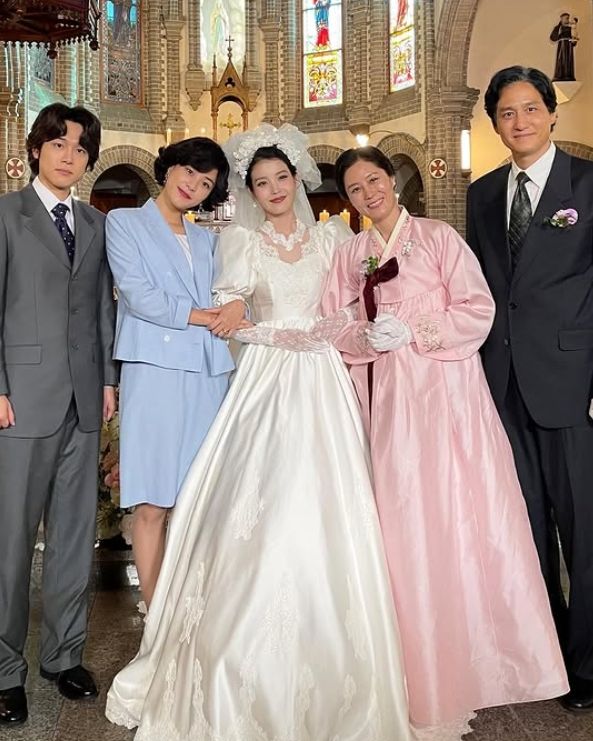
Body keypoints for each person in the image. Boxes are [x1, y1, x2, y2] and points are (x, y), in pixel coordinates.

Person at [105, 123, 411, 740]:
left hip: (322, 380)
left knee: (328, 501)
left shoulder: (332, 238)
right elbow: (234, 312)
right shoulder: (240, 243)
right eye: (261, 182)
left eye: (281, 178)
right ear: (249, 191)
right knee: (255, 501)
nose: (273, 189)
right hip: (266, 377)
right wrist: (274, 331)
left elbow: (346, 307)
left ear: (298, 179)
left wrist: (337, 332)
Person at [321, 144, 569, 739]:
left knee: (461, 511)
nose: (368, 194)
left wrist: (416, 328)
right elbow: (331, 322)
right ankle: (423, 660)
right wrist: (365, 338)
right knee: (405, 518)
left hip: (448, 394)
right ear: (347, 200)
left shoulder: (437, 238)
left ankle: (487, 656)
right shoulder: (350, 254)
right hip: (390, 400)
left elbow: (478, 308)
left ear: (392, 180)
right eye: (354, 189)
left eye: (374, 180)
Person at [466, 65, 593, 713]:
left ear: (551, 112)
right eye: (506, 113)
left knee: (584, 529)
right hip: (502, 385)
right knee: (526, 528)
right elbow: (480, 292)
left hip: (572, 383)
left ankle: (590, 662)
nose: (519, 122)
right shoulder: (481, 194)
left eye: (529, 108)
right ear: (494, 123)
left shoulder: (587, 184)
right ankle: (550, 656)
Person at [0, 103, 118, 726]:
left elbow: (101, 309)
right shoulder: (7, 215)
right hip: (19, 399)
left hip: (83, 399)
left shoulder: (96, 224)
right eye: (58, 144)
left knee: (75, 538)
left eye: (80, 148)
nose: (69, 156)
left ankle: (63, 657)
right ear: (36, 150)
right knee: (11, 542)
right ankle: (4, 671)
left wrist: (108, 379)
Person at [106, 137, 241, 608]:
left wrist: (236, 306)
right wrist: (203, 316)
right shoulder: (124, 223)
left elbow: (230, 292)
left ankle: (192, 607)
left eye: (205, 183)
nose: (193, 185)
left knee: (198, 496)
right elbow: (138, 294)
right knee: (153, 500)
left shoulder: (208, 240)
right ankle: (156, 610)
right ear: (169, 168)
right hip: (155, 371)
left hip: (207, 372)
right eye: (189, 171)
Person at [550, 13, 578, 81]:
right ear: (561, 19)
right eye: (566, 18)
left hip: (569, 46)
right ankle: (560, 75)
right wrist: (558, 32)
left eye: (568, 18)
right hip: (562, 46)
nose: (567, 20)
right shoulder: (558, 28)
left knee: (568, 61)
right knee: (561, 60)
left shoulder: (571, 28)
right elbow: (553, 38)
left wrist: (574, 40)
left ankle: (568, 75)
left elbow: (574, 39)